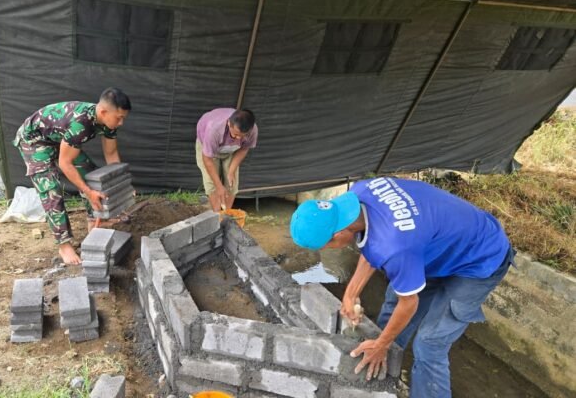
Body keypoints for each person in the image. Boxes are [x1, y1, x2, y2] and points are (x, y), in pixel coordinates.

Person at [290, 177, 513, 398]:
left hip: (479, 257)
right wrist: (351, 293)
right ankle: (381, 379)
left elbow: (409, 303)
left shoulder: (395, 247)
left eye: (326, 246)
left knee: (429, 344)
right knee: (391, 313)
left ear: (338, 234)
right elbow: (373, 245)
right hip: (436, 245)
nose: (329, 250)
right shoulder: (360, 194)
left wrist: (382, 344)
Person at [13, 87, 131, 265]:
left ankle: (94, 220)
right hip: (34, 140)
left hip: (59, 138)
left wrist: (121, 185)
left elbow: (111, 154)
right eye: (119, 118)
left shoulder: (109, 122)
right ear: (103, 112)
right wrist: (88, 192)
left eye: (123, 118)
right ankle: (64, 245)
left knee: (90, 174)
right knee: (51, 189)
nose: (121, 123)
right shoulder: (80, 124)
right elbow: (65, 163)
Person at [195, 108, 258, 211]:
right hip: (209, 150)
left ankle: (226, 214)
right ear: (229, 123)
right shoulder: (214, 131)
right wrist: (219, 186)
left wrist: (231, 171)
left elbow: (243, 149)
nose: (238, 138)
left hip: (231, 150)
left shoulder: (252, 130)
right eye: (236, 134)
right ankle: (217, 215)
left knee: (231, 183)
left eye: (243, 136)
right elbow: (207, 159)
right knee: (212, 184)